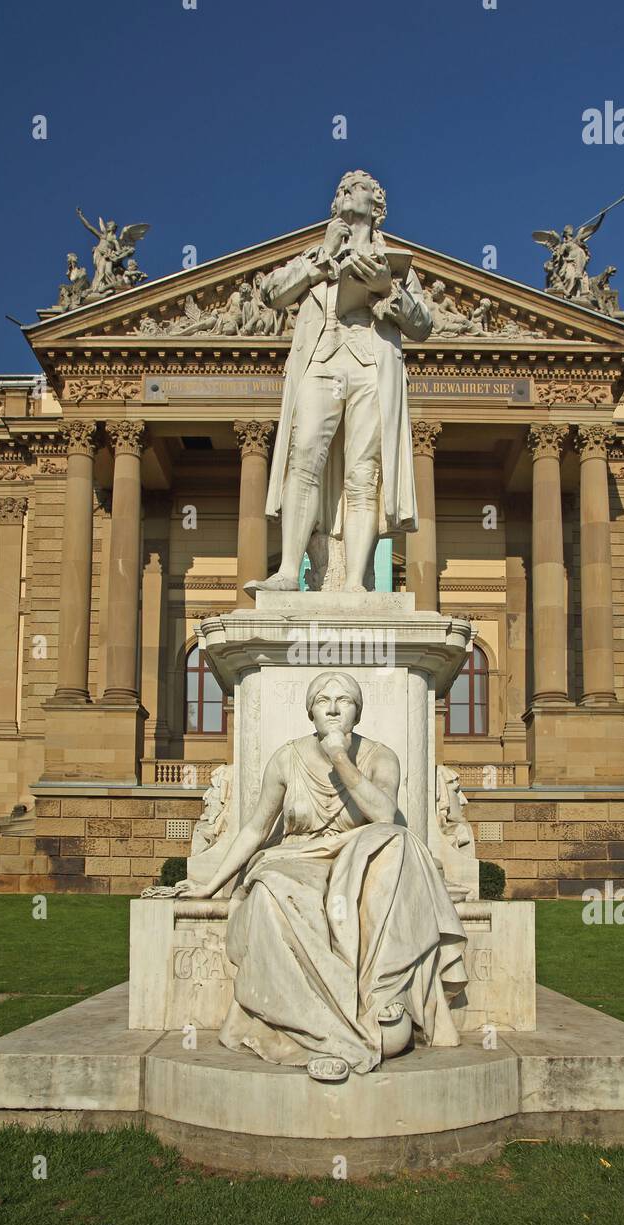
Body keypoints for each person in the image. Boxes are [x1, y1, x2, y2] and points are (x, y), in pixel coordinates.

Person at [191, 671, 467, 1081]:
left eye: (344, 701)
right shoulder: (287, 759)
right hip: (297, 859)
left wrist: (341, 758)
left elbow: (384, 816)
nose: (334, 708)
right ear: (310, 711)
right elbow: (255, 828)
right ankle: (319, 1031)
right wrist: (210, 885)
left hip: (356, 857)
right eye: (323, 700)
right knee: (270, 891)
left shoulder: (380, 757)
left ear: (357, 711)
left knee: (399, 843)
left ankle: (381, 991)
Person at [245, 171, 432, 595]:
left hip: (369, 366)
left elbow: (423, 325)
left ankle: (353, 584)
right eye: (342, 187)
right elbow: (271, 293)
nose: (348, 190)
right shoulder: (315, 253)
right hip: (321, 362)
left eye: (359, 186)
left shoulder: (394, 264)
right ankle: (289, 572)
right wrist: (319, 260)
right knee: (303, 457)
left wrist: (389, 291)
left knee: (363, 473)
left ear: (377, 205)